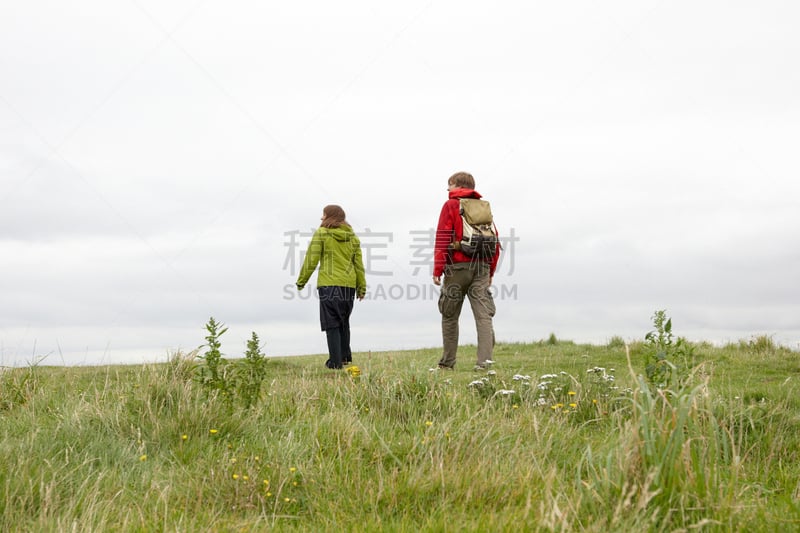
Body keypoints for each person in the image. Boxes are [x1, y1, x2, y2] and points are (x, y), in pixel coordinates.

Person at [433, 172, 500, 370]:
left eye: (449, 185)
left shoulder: (451, 205)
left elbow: (443, 237)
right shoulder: (483, 206)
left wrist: (437, 268)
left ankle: (447, 363)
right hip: (482, 267)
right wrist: (491, 272)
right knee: (483, 316)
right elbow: (495, 240)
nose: (448, 190)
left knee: (449, 314)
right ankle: (484, 364)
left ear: (457, 185)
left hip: (458, 267)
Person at [296, 205, 367, 369]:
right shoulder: (353, 238)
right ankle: (345, 358)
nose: (321, 218)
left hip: (329, 285)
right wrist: (361, 288)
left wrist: (301, 281)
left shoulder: (322, 233)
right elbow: (359, 265)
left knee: (332, 323)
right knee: (343, 321)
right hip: (348, 286)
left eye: (323, 214)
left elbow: (311, 259)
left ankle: (335, 362)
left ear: (329, 216)